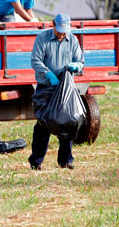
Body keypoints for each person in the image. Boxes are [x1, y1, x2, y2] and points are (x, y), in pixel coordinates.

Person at [29, 13, 85, 170]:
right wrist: (47, 74)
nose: (62, 34)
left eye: (64, 30)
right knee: (43, 124)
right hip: (46, 88)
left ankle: (66, 160)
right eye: (59, 30)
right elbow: (36, 60)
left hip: (65, 88)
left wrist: (77, 66)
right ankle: (36, 161)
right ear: (53, 25)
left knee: (68, 121)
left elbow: (80, 61)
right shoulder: (43, 38)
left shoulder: (72, 40)